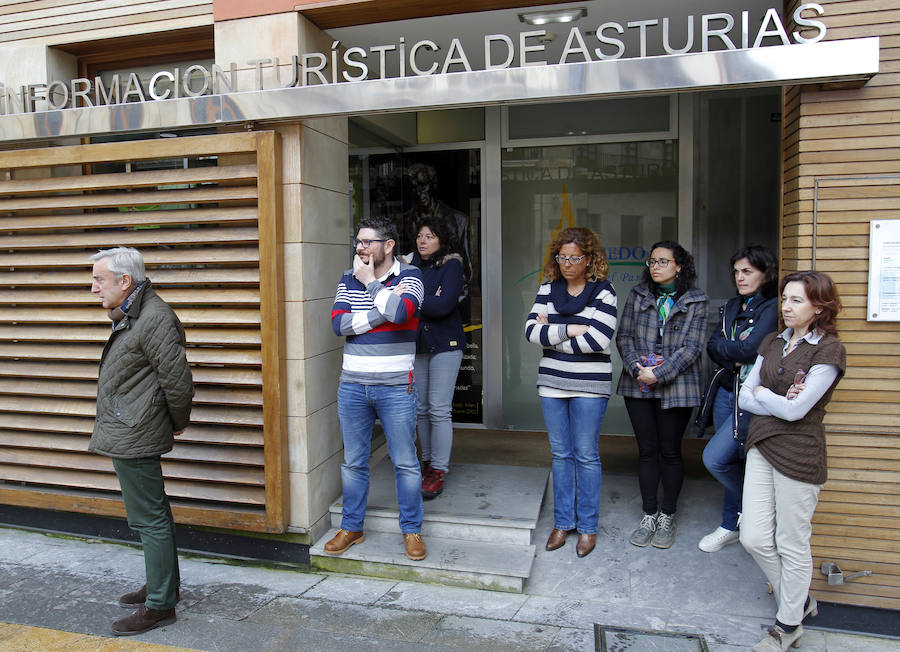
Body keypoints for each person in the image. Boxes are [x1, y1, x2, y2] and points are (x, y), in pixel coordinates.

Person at [88, 246, 193, 636]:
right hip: (130, 427)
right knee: (152, 514)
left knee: (149, 518)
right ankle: (164, 585)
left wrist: (177, 421)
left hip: (135, 431)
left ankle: (161, 605)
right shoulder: (135, 314)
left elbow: (178, 382)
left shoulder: (154, 318)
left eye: (99, 280)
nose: (94, 288)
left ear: (125, 281)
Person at [738, 271, 845, 652]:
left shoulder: (828, 351)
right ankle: (799, 603)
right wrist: (775, 399)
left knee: (791, 542)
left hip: (800, 455)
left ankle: (787, 626)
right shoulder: (772, 341)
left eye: (797, 300)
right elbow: (744, 396)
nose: (786, 306)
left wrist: (766, 395)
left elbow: (798, 411)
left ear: (820, 307)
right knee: (752, 537)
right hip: (762, 444)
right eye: (785, 298)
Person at [326, 215, 428, 561]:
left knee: (405, 463)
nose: (360, 248)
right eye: (358, 241)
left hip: (397, 386)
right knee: (354, 462)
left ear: (388, 245)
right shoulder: (346, 278)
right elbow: (339, 325)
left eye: (367, 242)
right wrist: (381, 309)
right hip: (353, 385)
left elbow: (403, 313)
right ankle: (351, 527)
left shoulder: (412, 276)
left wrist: (370, 285)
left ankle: (412, 531)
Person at [525, 227, 617, 558]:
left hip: (591, 385)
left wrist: (553, 334)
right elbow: (530, 331)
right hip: (551, 383)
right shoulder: (548, 288)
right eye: (562, 257)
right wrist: (573, 328)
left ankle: (588, 528)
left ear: (589, 259)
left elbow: (600, 341)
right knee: (561, 455)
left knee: (586, 454)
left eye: (574, 257)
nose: (567, 263)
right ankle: (562, 523)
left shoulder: (604, 292)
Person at [616, 241, 707, 549]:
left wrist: (659, 373)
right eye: (652, 262)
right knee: (646, 449)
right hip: (637, 382)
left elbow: (692, 348)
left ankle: (667, 515)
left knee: (669, 450)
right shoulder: (638, 294)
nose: (654, 267)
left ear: (678, 266)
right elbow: (624, 336)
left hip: (677, 386)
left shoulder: (697, 300)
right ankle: (649, 513)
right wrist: (636, 367)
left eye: (662, 262)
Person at [698, 245, 779, 553]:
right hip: (724, 391)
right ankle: (731, 524)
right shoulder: (733, 305)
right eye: (736, 272)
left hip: (750, 398)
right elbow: (713, 345)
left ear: (766, 273)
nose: (740, 278)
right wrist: (732, 351)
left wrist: (730, 350)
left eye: (748, 272)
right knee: (730, 460)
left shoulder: (773, 307)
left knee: (716, 459)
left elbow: (750, 350)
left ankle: (757, 511)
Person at [411, 218, 466, 499]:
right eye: (420, 236)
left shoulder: (452, 265)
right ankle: (427, 461)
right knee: (421, 407)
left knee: (439, 408)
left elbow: (444, 305)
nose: (423, 241)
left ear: (441, 239)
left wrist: (413, 301)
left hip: (446, 344)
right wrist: (428, 299)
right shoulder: (411, 268)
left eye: (430, 236)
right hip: (419, 344)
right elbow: (429, 302)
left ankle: (438, 469)